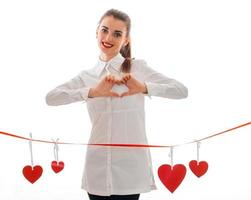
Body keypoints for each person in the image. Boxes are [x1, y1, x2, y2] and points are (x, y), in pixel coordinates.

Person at [45, 8, 188, 200]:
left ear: (126, 40)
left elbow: (181, 90)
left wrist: (144, 87)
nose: (108, 37)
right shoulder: (86, 77)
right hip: (97, 170)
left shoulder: (138, 69)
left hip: (130, 173)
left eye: (117, 34)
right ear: (96, 32)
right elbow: (51, 98)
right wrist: (93, 92)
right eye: (104, 30)